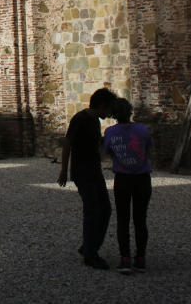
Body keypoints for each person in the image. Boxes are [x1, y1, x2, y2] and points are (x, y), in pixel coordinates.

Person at [58, 87, 116, 269]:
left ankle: (89, 246)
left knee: (105, 209)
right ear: (101, 105)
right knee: (92, 211)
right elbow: (67, 143)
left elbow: (94, 143)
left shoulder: (94, 120)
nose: (110, 113)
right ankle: (90, 254)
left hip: (94, 171)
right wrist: (63, 170)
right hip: (83, 172)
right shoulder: (80, 119)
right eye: (109, 109)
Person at [104, 97, 153, 274]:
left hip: (123, 179)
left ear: (114, 115)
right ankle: (140, 258)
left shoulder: (110, 132)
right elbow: (148, 149)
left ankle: (125, 259)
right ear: (130, 112)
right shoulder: (142, 129)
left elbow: (108, 152)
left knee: (123, 220)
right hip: (142, 178)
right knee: (140, 219)